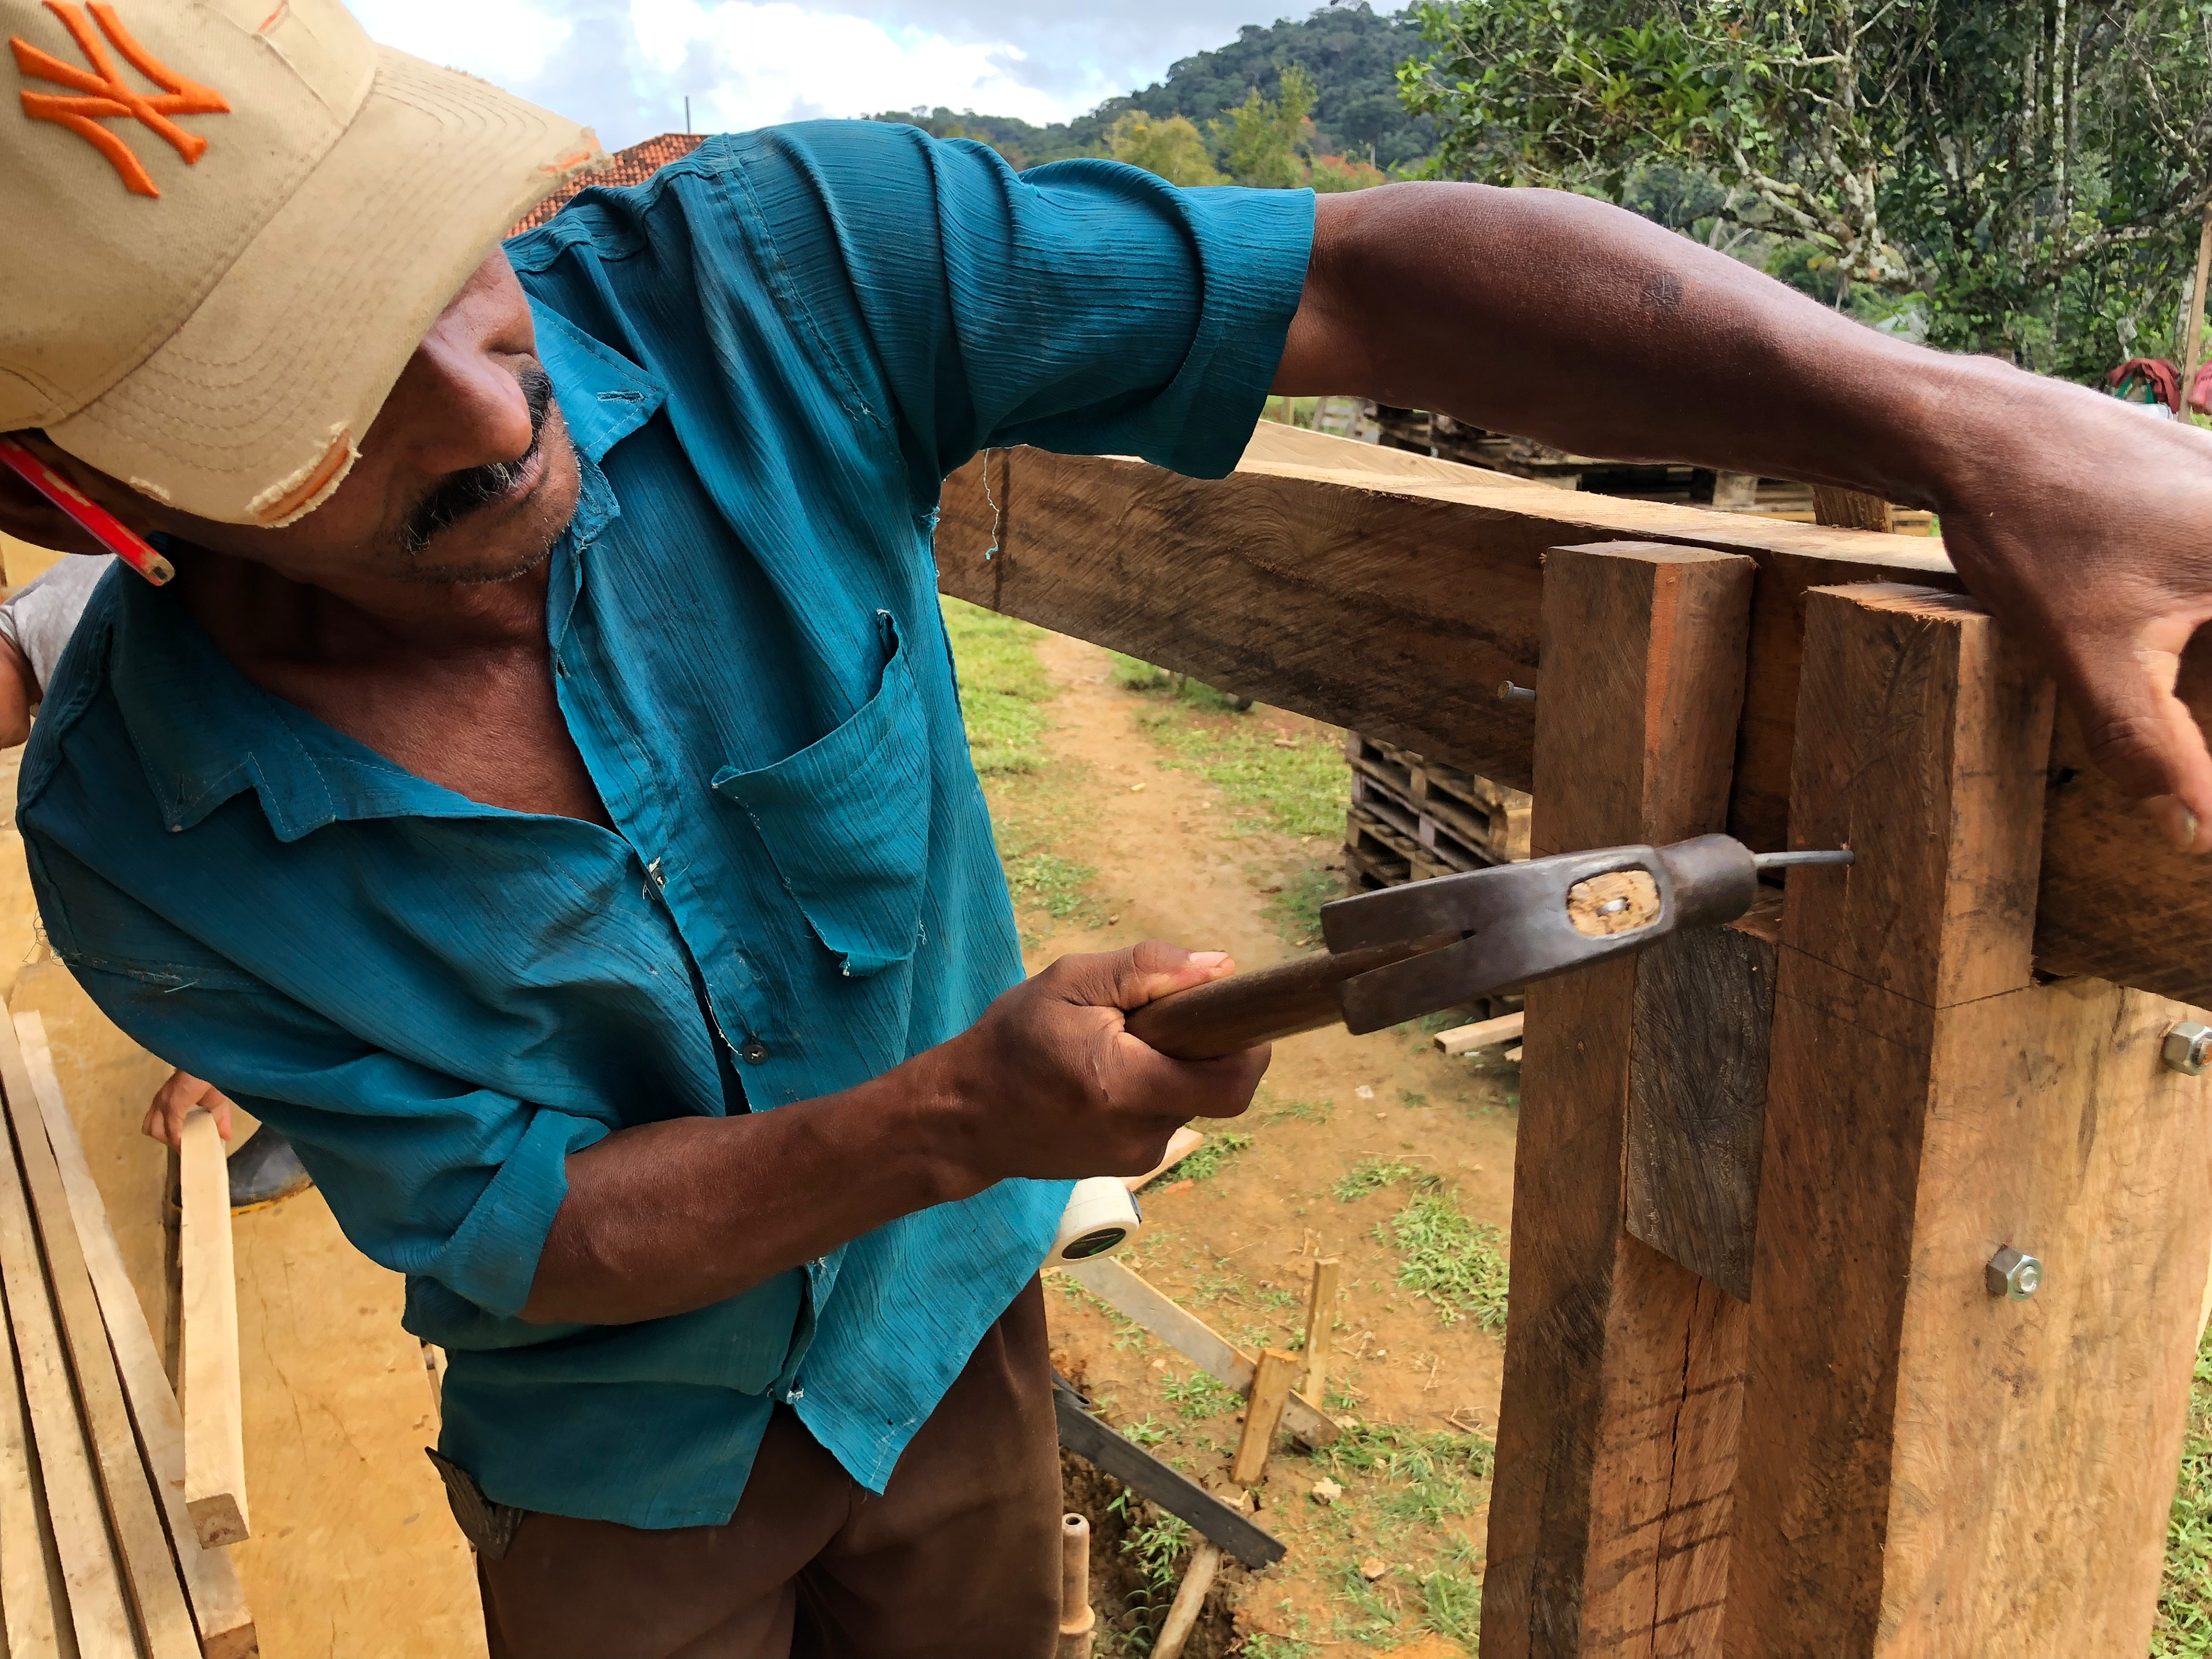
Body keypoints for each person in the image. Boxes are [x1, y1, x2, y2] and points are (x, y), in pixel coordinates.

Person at [5, 3, 2211, 1655]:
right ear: (79, 490)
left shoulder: (762, 280)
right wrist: (958, 1110)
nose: (489, 399)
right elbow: (531, 1229)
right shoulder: (133, 833)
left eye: (438, 260)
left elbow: (1358, 283)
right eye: (307, 392)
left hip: (946, 1323)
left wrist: (1962, 424)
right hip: (615, 1451)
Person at [0, 555, 312, 1208]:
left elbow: (250, 855)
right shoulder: (48, 616)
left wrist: (220, 1045)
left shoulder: (72, 645)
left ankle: (321, 1115)